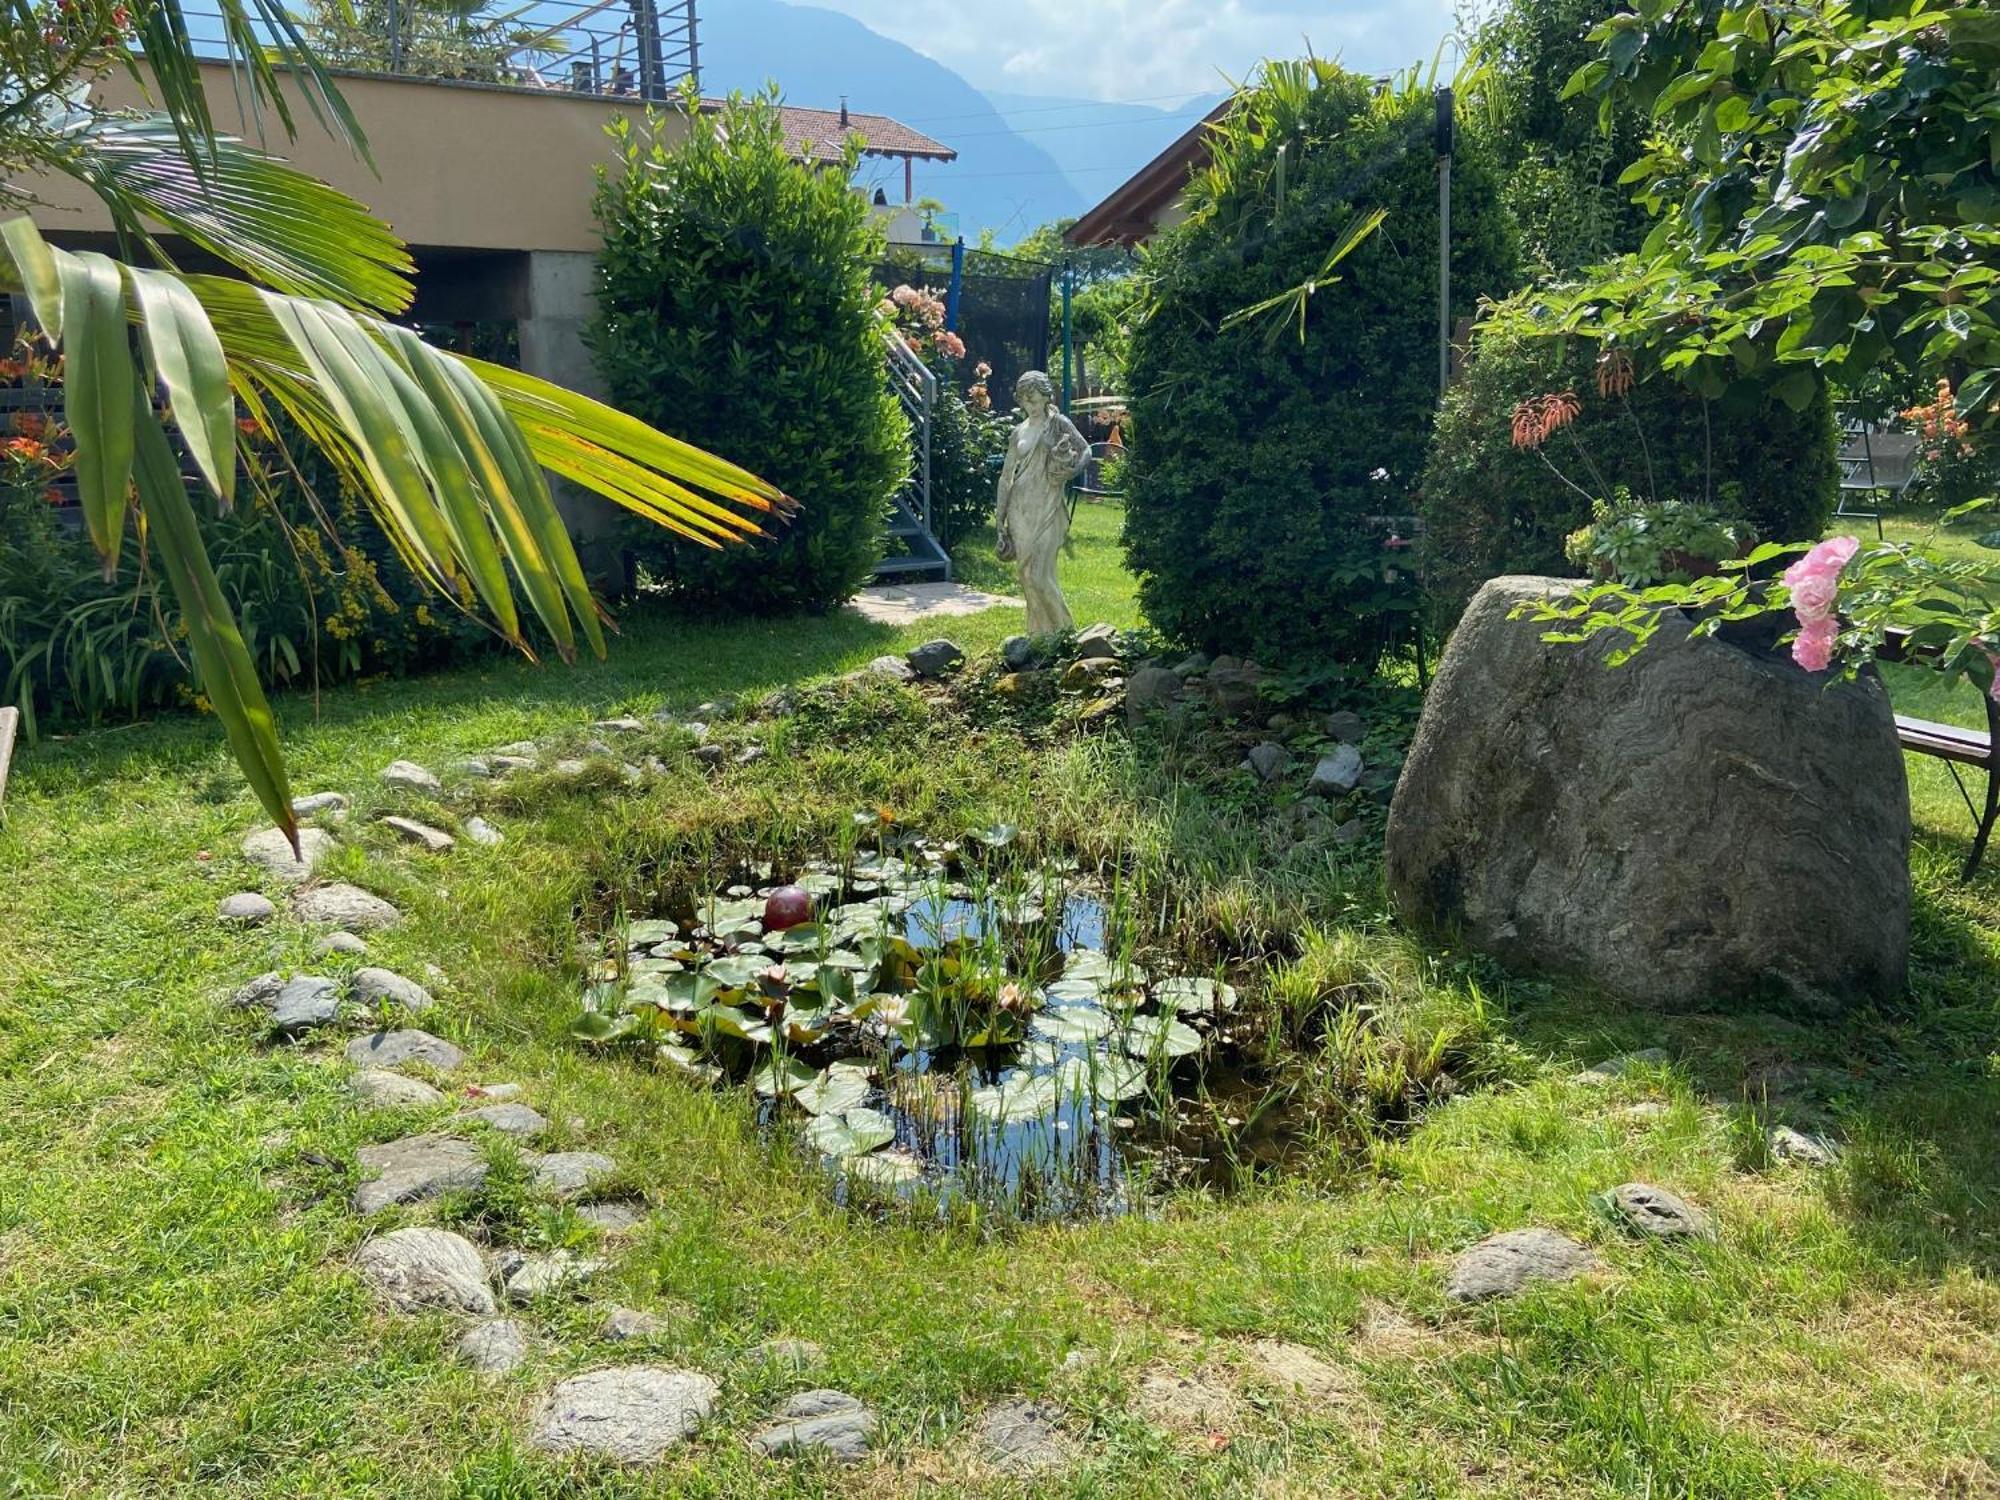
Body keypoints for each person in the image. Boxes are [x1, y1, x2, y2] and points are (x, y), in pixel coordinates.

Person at [994, 371, 1088, 633]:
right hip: (1019, 509)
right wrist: (1000, 518)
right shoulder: (1018, 432)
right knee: (1026, 577)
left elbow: (1086, 451)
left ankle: (1065, 634)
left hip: (1047, 505)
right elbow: (1005, 477)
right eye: (1024, 401)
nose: (1030, 406)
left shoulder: (1058, 424)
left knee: (1040, 576)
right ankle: (1039, 636)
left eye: (1034, 400)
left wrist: (1072, 471)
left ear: (1046, 396)